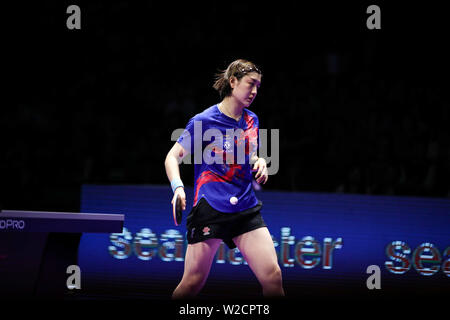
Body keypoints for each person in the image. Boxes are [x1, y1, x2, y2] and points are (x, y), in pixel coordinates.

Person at [164, 59, 284, 299]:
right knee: (192, 283)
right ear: (233, 82)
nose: (255, 91)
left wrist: (259, 161)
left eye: (258, 86)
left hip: (245, 207)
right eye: (250, 84)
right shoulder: (204, 120)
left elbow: (247, 154)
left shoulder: (252, 120)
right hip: (211, 206)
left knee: (273, 277)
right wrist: (178, 188)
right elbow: (172, 157)